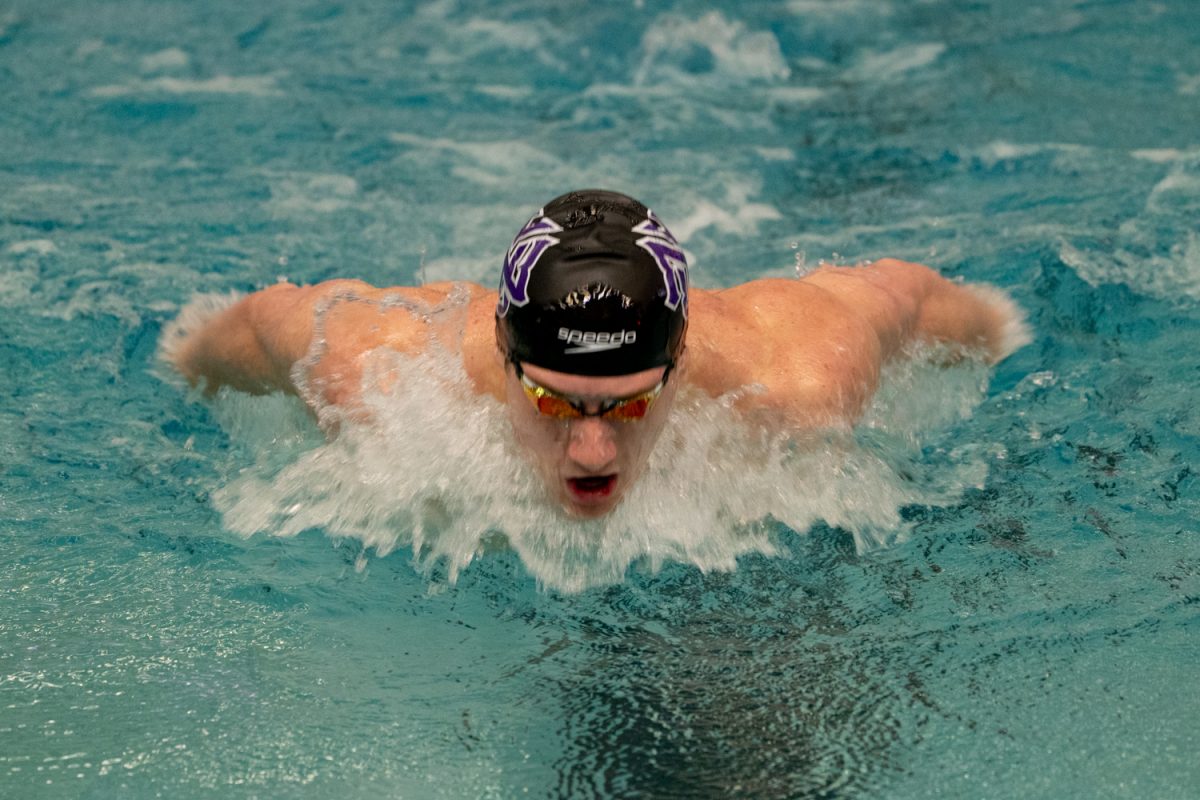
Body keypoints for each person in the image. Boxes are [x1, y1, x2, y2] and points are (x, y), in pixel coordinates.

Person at [168, 189, 1027, 518]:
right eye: (552, 400)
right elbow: (223, 338)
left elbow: (922, 301)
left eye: (631, 402)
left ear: (680, 363)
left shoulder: (800, 376)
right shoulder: (374, 365)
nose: (593, 451)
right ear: (504, 357)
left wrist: (1012, 345)